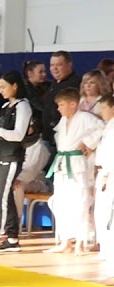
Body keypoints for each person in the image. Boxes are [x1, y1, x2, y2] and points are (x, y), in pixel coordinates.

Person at [45, 87, 104, 254]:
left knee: (80, 202)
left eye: (61, 105)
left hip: (77, 164)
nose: (58, 108)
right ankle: (65, 241)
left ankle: (80, 241)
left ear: (73, 104)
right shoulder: (63, 120)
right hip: (61, 164)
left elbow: (102, 128)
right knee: (61, 202)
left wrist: (88, 143)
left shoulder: (85, 117)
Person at [0, 71, 33, 256]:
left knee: (0, 198)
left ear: (15, 86)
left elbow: (18, 135)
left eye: (3, 87)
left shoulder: (23, 106)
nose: (0, 90)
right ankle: (12, 238)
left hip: (11, 156)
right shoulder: (5, 106)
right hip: (0, 153)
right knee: (5, 197)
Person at [93, 94, 114, 278]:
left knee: (109, 214)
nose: (101, 112)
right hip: (104, 172)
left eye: (104, 108)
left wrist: (107, 172)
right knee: (101, 213)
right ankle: (106, 249)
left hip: (110, 173)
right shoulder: (108, 126)